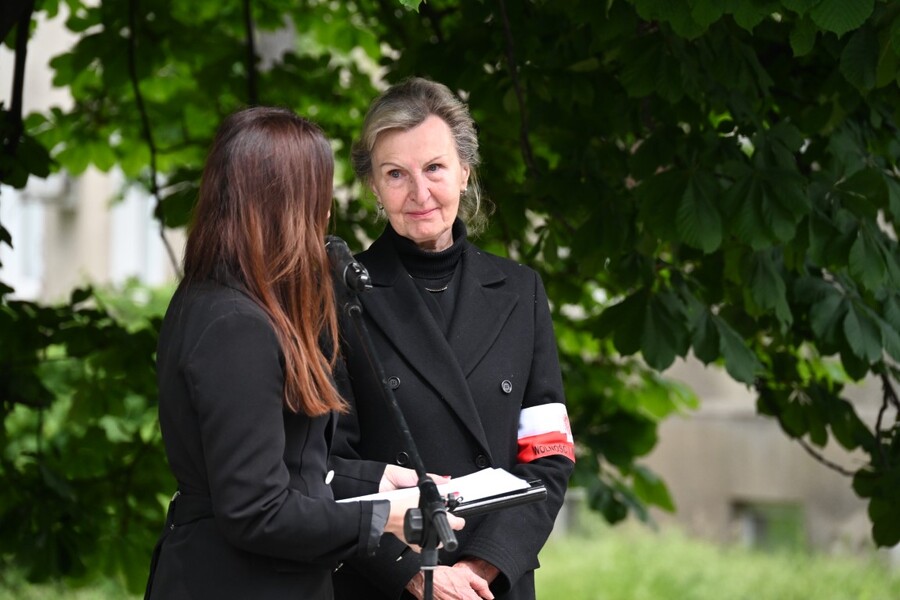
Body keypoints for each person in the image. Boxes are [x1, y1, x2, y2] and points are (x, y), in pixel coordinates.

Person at [143, 106, 462, 600]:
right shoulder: (235, 324)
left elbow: (286, 464)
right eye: (318, 196)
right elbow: (257, 511)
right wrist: (382, 517)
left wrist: (375, 478)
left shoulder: (227, 300)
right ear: (284, 206)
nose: (326, 214)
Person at [330, 77, 575, 600]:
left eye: (435, 168)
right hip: (385, 583)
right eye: (396, 174)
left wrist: (483, 567)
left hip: (492, 582)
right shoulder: (340, 293)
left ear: (465, 171)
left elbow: (548, 453)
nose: (419, 193)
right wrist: (416, 573)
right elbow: (329, 467)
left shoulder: (521, 291)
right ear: (373, 186)